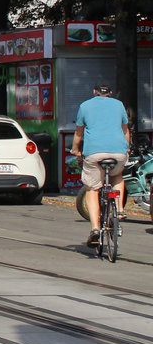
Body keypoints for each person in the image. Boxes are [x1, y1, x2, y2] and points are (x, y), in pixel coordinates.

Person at [71, 81, 131, 244]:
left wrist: (75, 150)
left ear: (94, 91)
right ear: (110, 93)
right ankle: (119, 210)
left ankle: (95, 228)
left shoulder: (85, 106)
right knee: (117, 175)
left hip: (94, 153)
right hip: (118, 151)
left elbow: (78, 133)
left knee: (92, 189)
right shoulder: (119, 105)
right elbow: (126, 130)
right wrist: (127, 150)